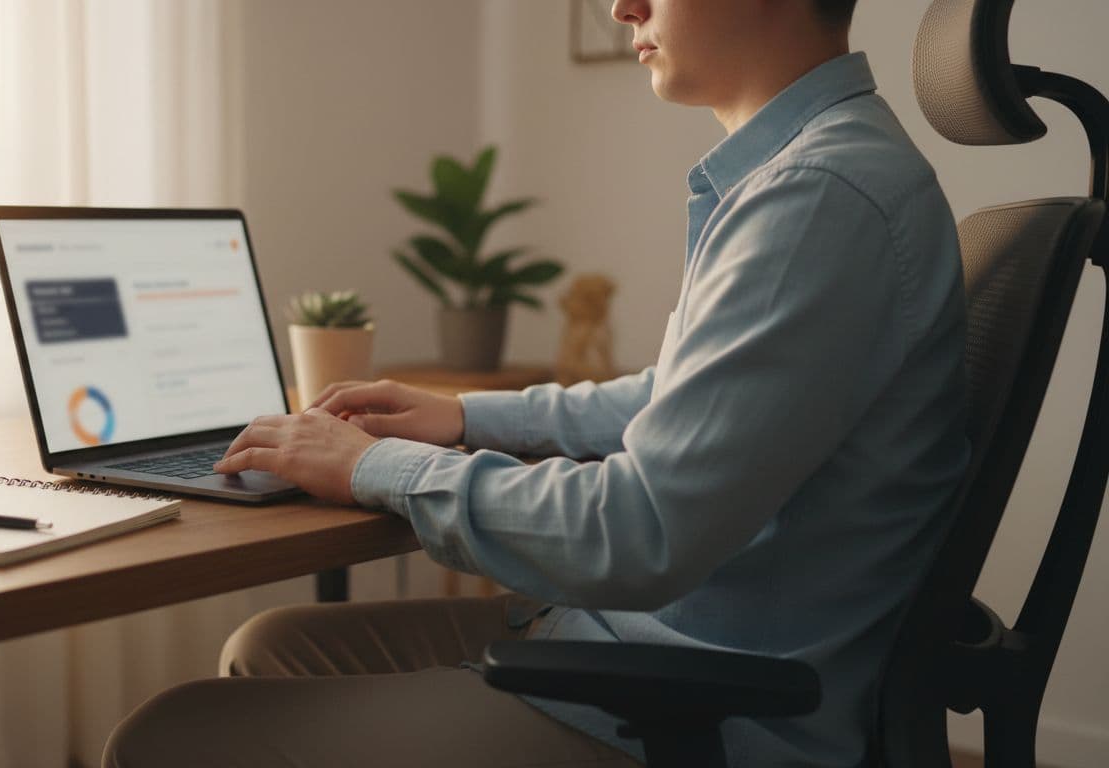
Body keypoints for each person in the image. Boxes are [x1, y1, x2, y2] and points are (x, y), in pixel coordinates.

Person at [105, 0, 970, 765]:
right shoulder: (810, 173)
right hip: (650, 643)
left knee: (168, 737)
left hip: (703, 703)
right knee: (272, 645)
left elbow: (641, 530)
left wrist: (372, 466)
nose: (623, 6)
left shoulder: (819, 195)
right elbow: (676, 401)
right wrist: (462, 417)